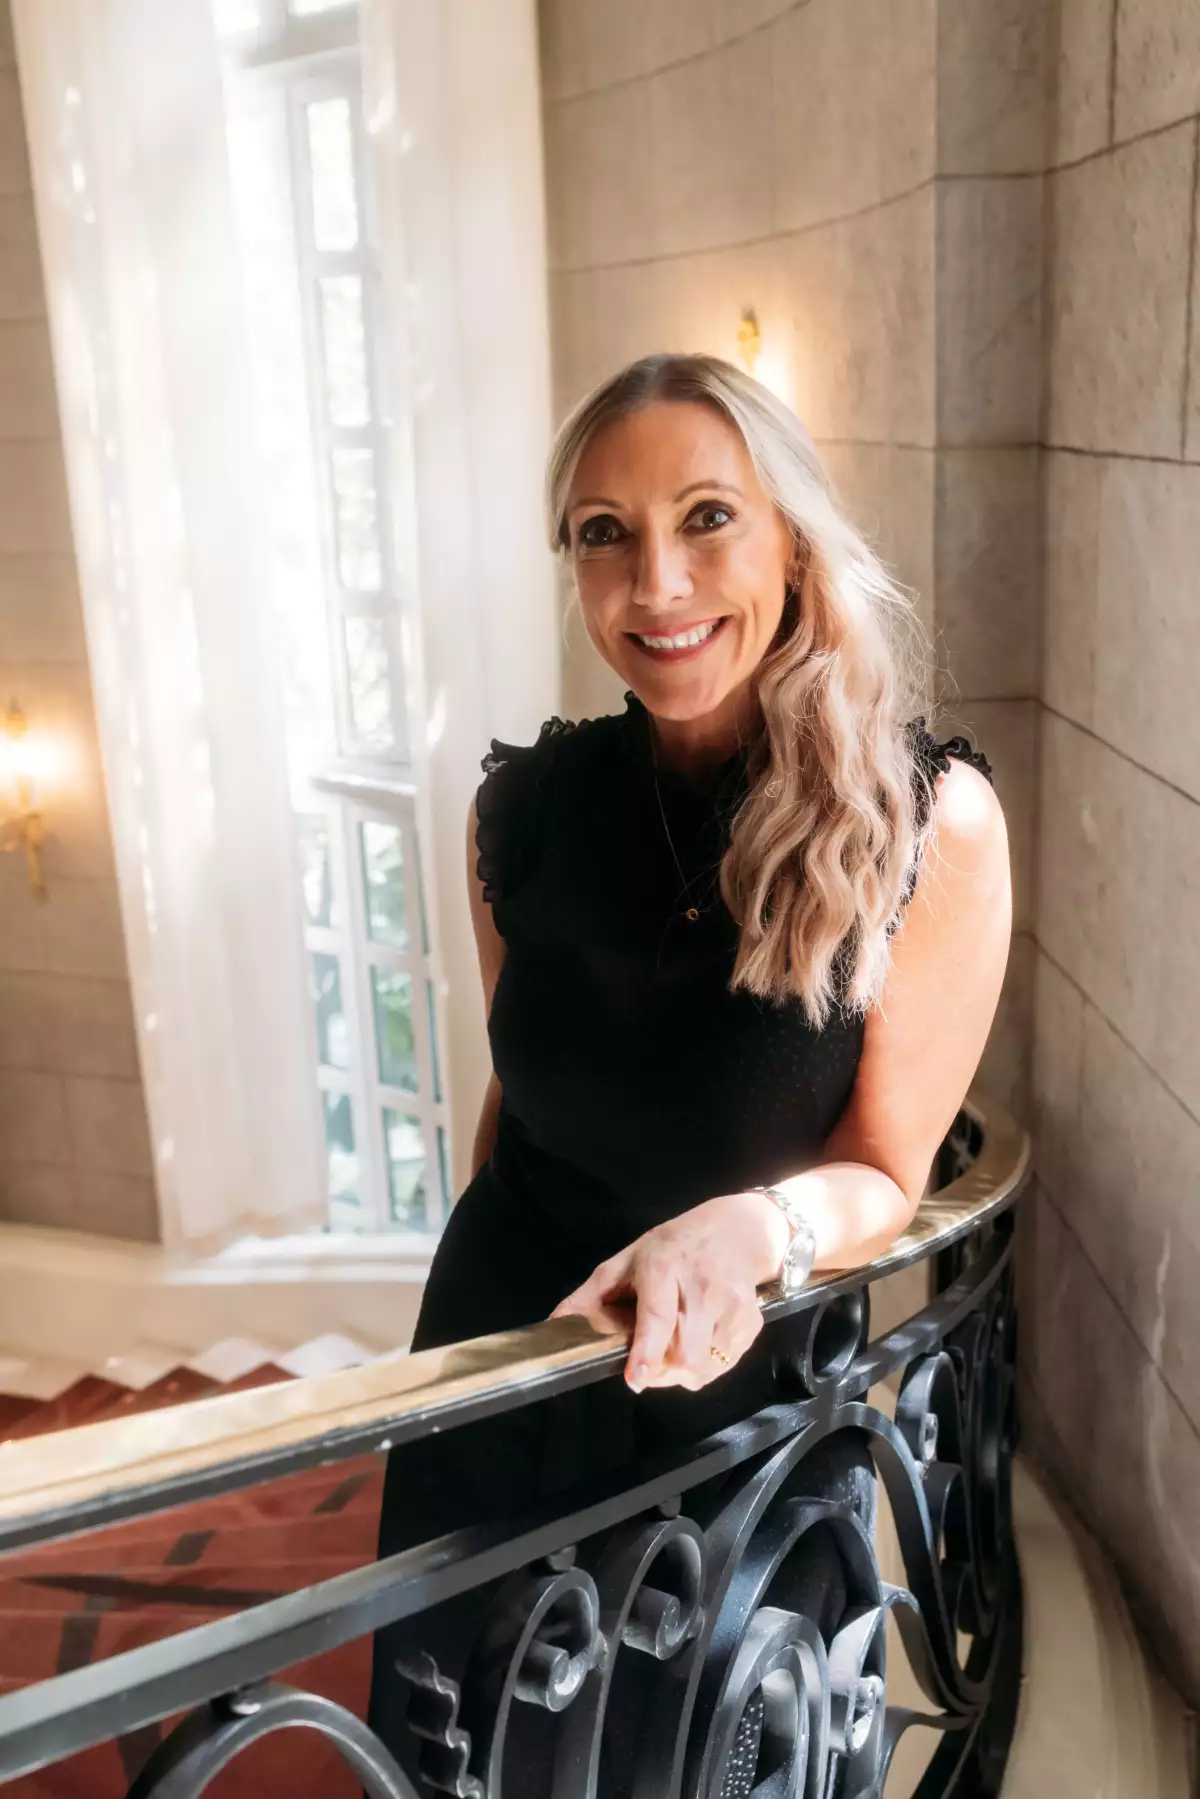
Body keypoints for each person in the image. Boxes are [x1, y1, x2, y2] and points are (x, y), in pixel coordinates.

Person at [368, 353, 1011, 1757]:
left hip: (733, 1405)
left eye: (707, 517)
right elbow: (517, 1105)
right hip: (496, 1371)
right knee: (452, 1754)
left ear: (792, 538)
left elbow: (886, 1169)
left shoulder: (927, 826)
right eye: (605, 533)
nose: (656, 583)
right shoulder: (518, 812)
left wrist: (754, 1228)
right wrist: (480, 1354)